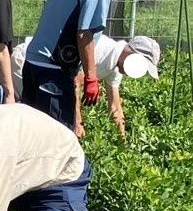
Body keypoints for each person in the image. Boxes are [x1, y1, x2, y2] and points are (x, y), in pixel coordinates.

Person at [23, 0, 149, 129]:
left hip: (34, 63)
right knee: (57, 138)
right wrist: (91, 77)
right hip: (53, 70)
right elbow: (85, 33)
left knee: (31, 134)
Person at [13, 33, 160, 137]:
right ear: (132, 53)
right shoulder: (102, 51)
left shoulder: (116, 68)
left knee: (41, 123)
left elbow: (115, 107)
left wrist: (122, 142)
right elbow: (74, 83)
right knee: (34, 119)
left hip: (48, 72)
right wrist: (77, 123)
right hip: (29, 60)